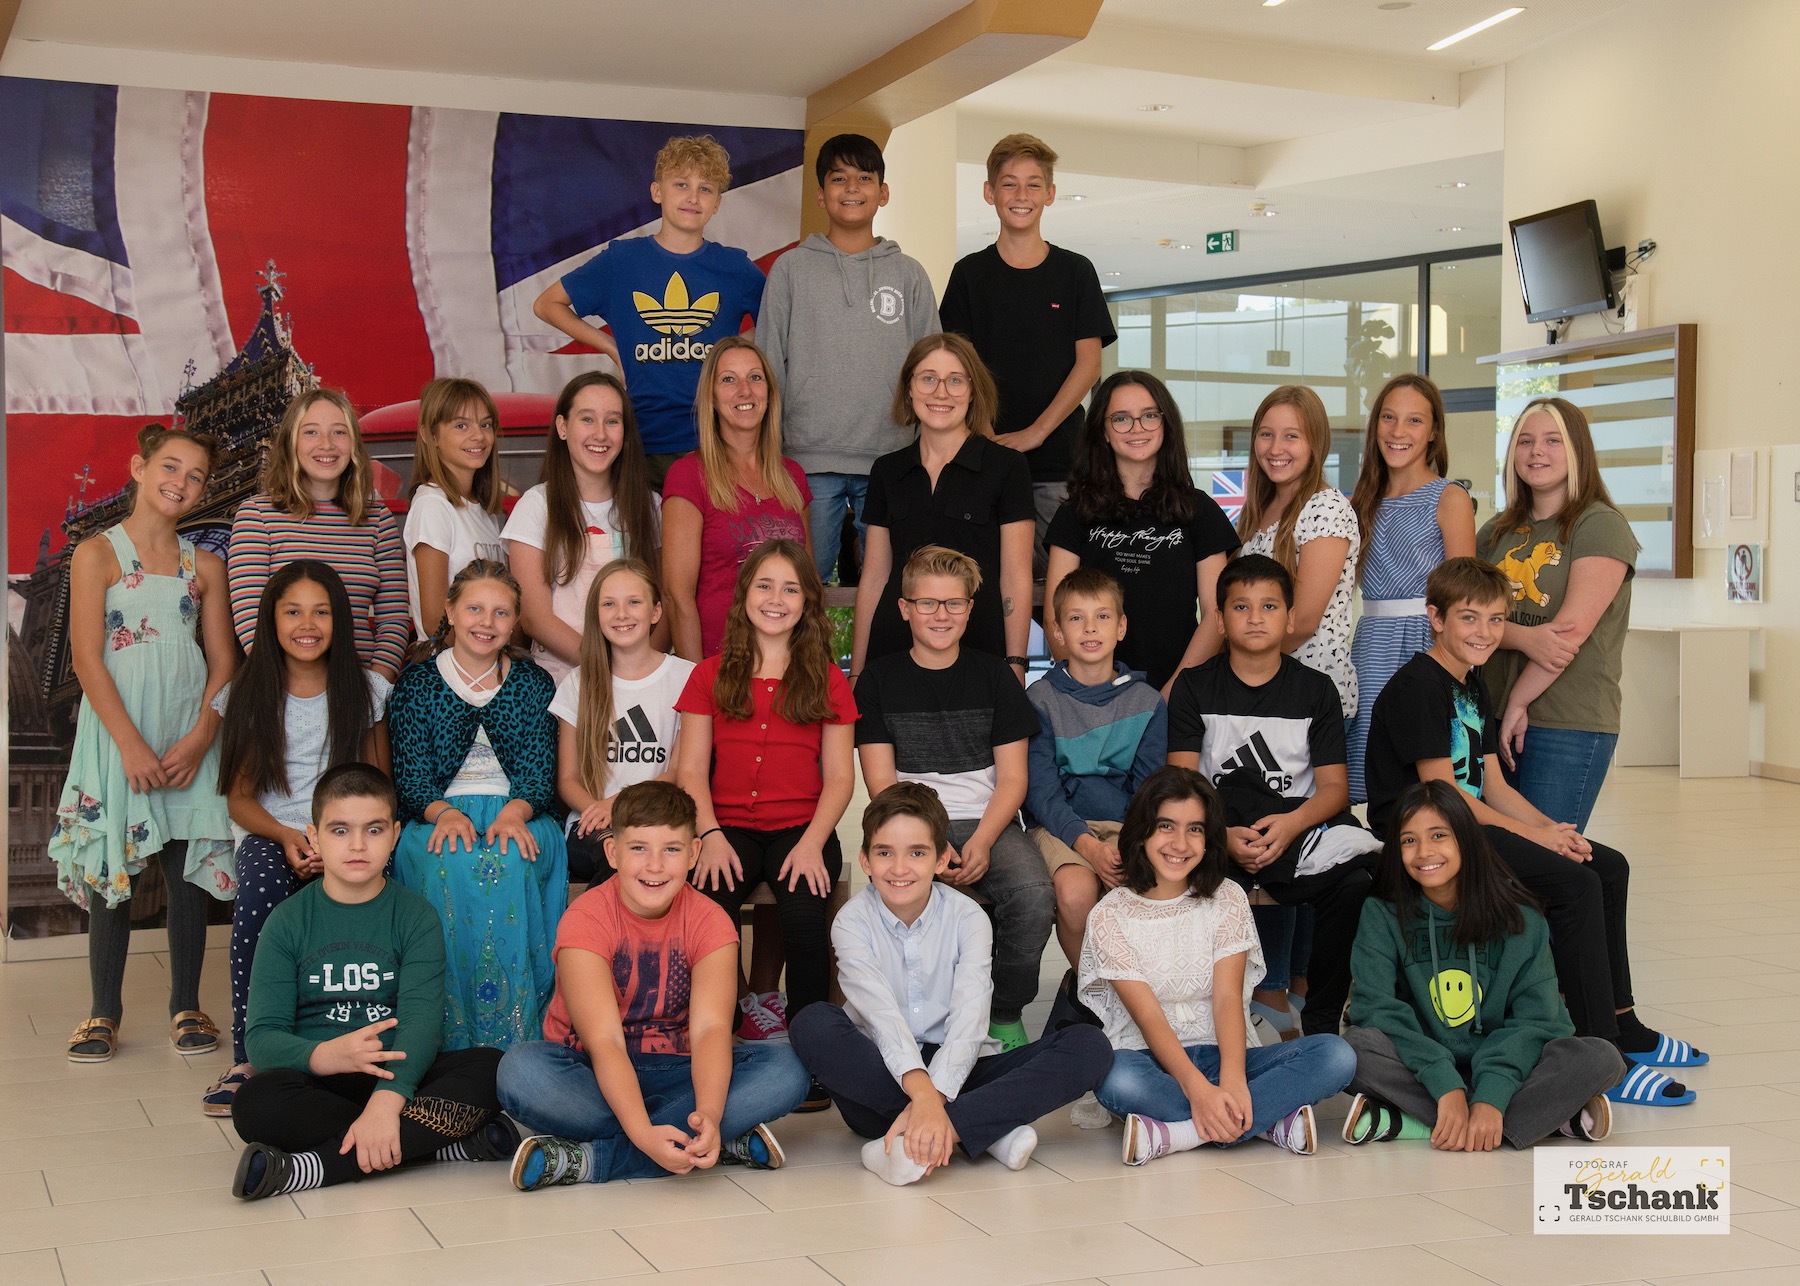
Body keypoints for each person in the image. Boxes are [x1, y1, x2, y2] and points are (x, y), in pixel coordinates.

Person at [1363, 557, 1706, 1107]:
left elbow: (1492, 783)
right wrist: (1536, 841)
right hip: (1428, 837)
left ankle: (1624, 1021)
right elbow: (1444, 796)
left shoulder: (1470, 684)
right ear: (1436, 618)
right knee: (1575, 886)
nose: (1485, 632)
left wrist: (1550, 828)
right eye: (1469, 618)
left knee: (1605, 864)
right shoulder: (1418, 687)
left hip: (1466, 827)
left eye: (1496, 620)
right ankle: (1603, 1053)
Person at [790, 783, 1114, 1185]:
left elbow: (970, 1016)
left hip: (962, 1072)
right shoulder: (851, 922)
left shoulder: (967, 916)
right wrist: (923, 1094)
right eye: (885, 853)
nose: (900, 868)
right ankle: (983, 1130)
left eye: (917, 853)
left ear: (942, 858)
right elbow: (881, 1016)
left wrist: (938, 1094)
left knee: (1089, 1045)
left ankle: (926, 1135)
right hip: (881, 1078)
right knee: (811, 1022)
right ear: (866, 860)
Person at [497, 781, 810, 1187]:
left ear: (694, 853)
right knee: (520, 1072)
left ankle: (591, 1159)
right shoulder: (586, 918)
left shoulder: (710, 921)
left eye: (672, 850)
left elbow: (711, 1030)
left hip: (679, 1069)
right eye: (639, 848)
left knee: (788, 1069)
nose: (655, 866)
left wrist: (710, 1113)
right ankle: (706, 1140)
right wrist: (643, 1132)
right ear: (613, 853)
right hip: (590, 1069)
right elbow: (604, 1041)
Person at [228, 763, 518, 1199]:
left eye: (374, 830)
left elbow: (421, 1025)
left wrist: (387, 1099)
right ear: (314, 837)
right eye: (340, 830)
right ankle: (433, 1146)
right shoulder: (286, 921)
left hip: (400, 1074)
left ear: (395, 835)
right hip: (320, 1081)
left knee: (493, 1069)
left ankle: (309, 1169)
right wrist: (324, 1055)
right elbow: (262, 1039)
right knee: (255, 1104)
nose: (358, 845)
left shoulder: (415, 916)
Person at [53, 425, 237, 1064]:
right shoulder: (97, 553)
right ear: (139, 467)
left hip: (187, 735)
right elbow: (86, 657)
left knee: (185, 875)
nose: (181, 482)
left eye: (195, 475)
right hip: (119, 736)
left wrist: (202, 736)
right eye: (170, 467)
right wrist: (129, 745)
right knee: (114, 870)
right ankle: (103, 1011)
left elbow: (224, 662)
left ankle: (187, 1004)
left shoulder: (203, 566)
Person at [1078, 767, 1356, 1162]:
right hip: (1148, 1058)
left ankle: (1181, 1133)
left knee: (1336, 1054)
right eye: (1166, 826)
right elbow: (1148, 1016)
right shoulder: (1110, 915)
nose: (1180, 843)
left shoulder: (1228, 897)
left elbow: (1227, 999)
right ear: (1141, 832)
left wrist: (1233, 1080)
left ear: (1209, 838)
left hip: (1228, 1054)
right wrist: (1199, 1091)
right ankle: (1264, 1122)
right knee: (1115, 1077)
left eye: (1195, 829)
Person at [204, 562, 393, 1116]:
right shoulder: (247, 693)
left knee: (386, 891)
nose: (306, 625)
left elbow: (379, 786)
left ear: (341, 620)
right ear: (271, 619)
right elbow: (240, 799)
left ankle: (370, 1042)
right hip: (275, 831)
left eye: (321, 612)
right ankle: (250, 1055)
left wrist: (340, 841)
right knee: (261, 894)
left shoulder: (366, 690)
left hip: (350, 829)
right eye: (293, 612)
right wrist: (291, 837)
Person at [1341, 780, 1623, 1149]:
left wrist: (1492, 1093)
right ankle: (1538, 1120)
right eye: (1409, 840)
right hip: (1420, 1063)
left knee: (1602, 1058)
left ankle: (1419, 1121)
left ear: (1466, 839)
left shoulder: (1520, 918)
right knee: (1352, 1051)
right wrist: (1445, 1085)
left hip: (1508, 1066)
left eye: (1438, 835)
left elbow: (1538, 1020)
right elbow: (1376, 1009)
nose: (1424, 852)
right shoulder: (1382, 913)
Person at [1166, 555, 1378, 1040]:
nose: (1256, 617)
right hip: (1216, 830)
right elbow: (1181, 784)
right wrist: (1219, 835)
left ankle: (1322, 1016)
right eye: (1241, 606)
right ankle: (1198, 1014)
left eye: (1269, 606)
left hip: (1297, 833)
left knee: (1357, 883)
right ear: (1220, 620)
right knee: (1170, 860)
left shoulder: (1316, 690)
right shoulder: (1194, 687)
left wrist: (1291, 825)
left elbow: (1334, 789)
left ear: (1289, 618)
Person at [854, 545, 1053, 1051]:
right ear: (905, 608)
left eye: (953, 603)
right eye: (927, 603)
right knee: (921, 902)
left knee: (1034, 894)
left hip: (988, 821)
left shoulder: (996, 678)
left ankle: (1003, 1011)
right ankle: (920, 1020)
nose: (941, 615)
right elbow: (882, 787)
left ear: (969, 609)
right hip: (909, 822)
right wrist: (928, 842)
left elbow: (1013, 779)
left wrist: (982, 841)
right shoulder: (877, 680)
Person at [675, 539, 856, 1039]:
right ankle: (724, 1031)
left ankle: (812, 1041)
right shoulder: (708, 675)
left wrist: (813, 843)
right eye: (765, 586)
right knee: (710, 915)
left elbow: (841, 778)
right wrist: (709, 835)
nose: (776, 599)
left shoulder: (828, 679)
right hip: (724, 827)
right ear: (744, 594)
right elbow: (690, 770)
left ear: (808, 602)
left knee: (804, 923)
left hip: (802, 829)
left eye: (791, 589)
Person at [388, 560, 567, 1050]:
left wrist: (516, 811)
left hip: (520, 810)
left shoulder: (533, 683)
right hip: (436, 814)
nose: (486, 622)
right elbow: (410, 777)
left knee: (512, 858)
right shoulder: (418, 683)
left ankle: (519, 1030)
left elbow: (540, 771)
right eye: (474, 609)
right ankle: (448, 1032)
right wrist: (443, 813)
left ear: (515, 622)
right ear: (449, 611)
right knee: (446, 861)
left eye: (501, 613)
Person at [758, 132, 940, 584]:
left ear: (883, 192)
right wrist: (768, 451)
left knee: (891, 584)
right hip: (807, 460)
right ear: (821, 195)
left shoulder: (909, 274)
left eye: (864, 177)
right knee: (803, 584)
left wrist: (928, 451)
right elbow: (768, 364)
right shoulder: (791, 269)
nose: (852, 188)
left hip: (893, 457)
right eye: (839, 178)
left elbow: (932, 370)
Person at [532, 134, 766, 485]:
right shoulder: (622, 261)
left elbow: (779, 323)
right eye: (682, 184)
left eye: (705, 189)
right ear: (657, 192)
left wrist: (729, 351)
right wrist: (612, 348)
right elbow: (547, 304)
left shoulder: (734, 267)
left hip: (713, 442)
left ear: (717, 203)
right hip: (639, 442)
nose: (693, 197)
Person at [941, 132, 1116, 572]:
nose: (1022, 195)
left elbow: (1089, 364)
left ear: (1050, 194)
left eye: (1033, 184)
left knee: (1058, 591)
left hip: (1058, 464)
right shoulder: (968, 275)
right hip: (981, 460)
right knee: (981, 583)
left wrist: (1036, 432)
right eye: (1009, 184)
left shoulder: (1075, 272)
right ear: (989, 192)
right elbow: (957, 368)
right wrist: (986, 439)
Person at [1477, 397, 1638, 831]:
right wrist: (1526, 638)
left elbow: (1567, 634)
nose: (1536, 452)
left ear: (1577, 450)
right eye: (1525, 441)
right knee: (1493, 854)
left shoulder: (1599, 525)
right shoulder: (1495, 531)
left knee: (1547, 853)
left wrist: (1519, 700)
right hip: (1489, 713)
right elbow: (1466, 618)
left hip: (1567, 721)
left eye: (1553, 441)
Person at [1045, 371, 1240, 695]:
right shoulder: (1075, 514)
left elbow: (1214, 616)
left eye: (1149, 415)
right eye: (1121, 418)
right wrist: (1092, 695)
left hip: (1179, 695)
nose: (1137, 428)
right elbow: (1057, 614)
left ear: (1165, 423)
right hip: (1094, 699)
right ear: (1103, 431)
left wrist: (1169, 698)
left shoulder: (1199, 510)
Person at [852, 334, 1034, 680]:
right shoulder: (887, 471)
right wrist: (858, 672)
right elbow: (875, 578)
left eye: (955, 380)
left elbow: (1015, 577)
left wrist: (1016, 663)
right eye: (928, 378)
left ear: (973, 390)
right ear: (909, 388)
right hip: (893, 655)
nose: (941, 392)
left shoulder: (1008, 467)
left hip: (980, 654)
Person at [1024, 566, 1167, 969]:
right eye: (1076, 618)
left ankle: (1133, 989)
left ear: (1121, 627)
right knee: (1075, 895)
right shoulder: (1039, 699)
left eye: (1102, 616)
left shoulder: (1147, 702)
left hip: (1127, 825)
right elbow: (1042, 794)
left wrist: (1128, 844)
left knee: (1148, 889)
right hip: (1058, 826)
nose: (1090, 628)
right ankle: (1092, 991)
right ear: (1057, 631)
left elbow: (1149, 790)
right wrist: (1088, 846)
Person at [1344, 374, 1476, 803]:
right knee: (1371, 768)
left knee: (1427, 777)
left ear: (1434, 431)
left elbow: (1464, 596)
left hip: (1426, 642)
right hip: (1370, 646)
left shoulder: (1449, 497)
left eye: (1414, 420)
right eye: (1389, 418)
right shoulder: (1360, 500)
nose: (1398, 431)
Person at [227, 388, 410, 680]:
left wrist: (374, 688)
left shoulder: (378, 519)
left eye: (339, 432)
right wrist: (297, 692)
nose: (326, 444)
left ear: (354, 444)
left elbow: (394, 620)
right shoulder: (257, 515)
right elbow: (251, 620)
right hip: (282, 689)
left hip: (360, 688)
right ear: (291, 442)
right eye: (311, 432)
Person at [504, 372, 663, 681]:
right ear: (562, 427)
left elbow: (665, 602)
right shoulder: (536, 506)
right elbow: (535, 617)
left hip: (638, 682)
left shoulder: (650, 507)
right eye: (587, 419)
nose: (600, 434)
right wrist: (605, 670)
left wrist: (641, 672)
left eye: (612, 421)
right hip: (561, 682)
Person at [662, 337, 811, 660]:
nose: (745, 390)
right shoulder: (688, 476)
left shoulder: (793, 476)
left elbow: (807, 585)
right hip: (720, 664)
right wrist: (697, 677)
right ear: (712, 398)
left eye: (755, 377)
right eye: (729, 379)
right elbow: (677, 597)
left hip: (790, 664)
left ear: (769, 393)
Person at [553, 559, 693, 886]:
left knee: (643, 853)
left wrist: (617, 805)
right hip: (592, 824)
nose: (621, 614)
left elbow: (676, 772)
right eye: (609, 604)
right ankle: (599, 923)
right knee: (619, 854)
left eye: (633, 602)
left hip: (661, 821)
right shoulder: (578, 682)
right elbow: (568, 780)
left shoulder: (686, 677)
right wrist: (598, 810)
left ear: (656, 612)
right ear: (596, 614)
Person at [1236, 384, 1359, 720]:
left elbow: (1302, 621)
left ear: (1315, 443)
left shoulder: (1326, 508)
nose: (1276, 448)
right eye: (1266, 434)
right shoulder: (1258, 508)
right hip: (1262, 691)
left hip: (1310, 697)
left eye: (1291, 436)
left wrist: (1238, 663)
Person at [403, 376, 507, 636]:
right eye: (461, 425)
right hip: (453, 660)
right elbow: (434, 620)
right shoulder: (432, 505)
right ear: (430, 435)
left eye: (485, 425)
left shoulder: (486, 514)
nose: (478, 436)